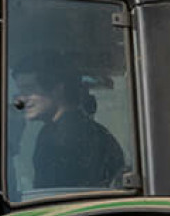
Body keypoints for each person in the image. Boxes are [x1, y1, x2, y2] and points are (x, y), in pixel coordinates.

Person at [14, 51, 126, 191]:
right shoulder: (93, 131)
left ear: (57, 89)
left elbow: (55, 196)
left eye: (29, 90)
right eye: (20, 92)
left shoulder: (64, 138)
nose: (20, 100)